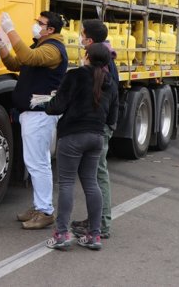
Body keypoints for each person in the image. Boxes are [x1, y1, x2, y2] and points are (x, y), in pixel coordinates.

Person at [0, 11, 67, 230]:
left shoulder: (53, 50)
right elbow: (17, 64)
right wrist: (3, 47)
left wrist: (10, 30)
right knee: (35, 162)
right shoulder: (40, 45)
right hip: (32, 114)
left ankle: (45, 211)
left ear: (50, 29)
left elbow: (27, 58)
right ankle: (39, 206)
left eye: (40, 24)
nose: (36, 26)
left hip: (40, 115)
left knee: (38, 163)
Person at [44, 43, 119, 250]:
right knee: (91, 183)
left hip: (72, 136)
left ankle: (62, 234)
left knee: (67, 183)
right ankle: (94, 236)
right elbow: (112, 117)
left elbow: (56, 106)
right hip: (96, 138)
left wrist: (46, 103)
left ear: (87, 56)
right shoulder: (110, 83)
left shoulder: (75, 75)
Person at [70, 19, 118, 240]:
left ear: (89, 40)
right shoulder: (106, 56)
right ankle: (95, 219)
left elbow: (109, 95)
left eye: (82, 35)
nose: (80, 38)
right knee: (94, 175)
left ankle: (102, 224)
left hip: (99, 127)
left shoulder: (103, 62)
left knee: (98, 175)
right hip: (102, 125)